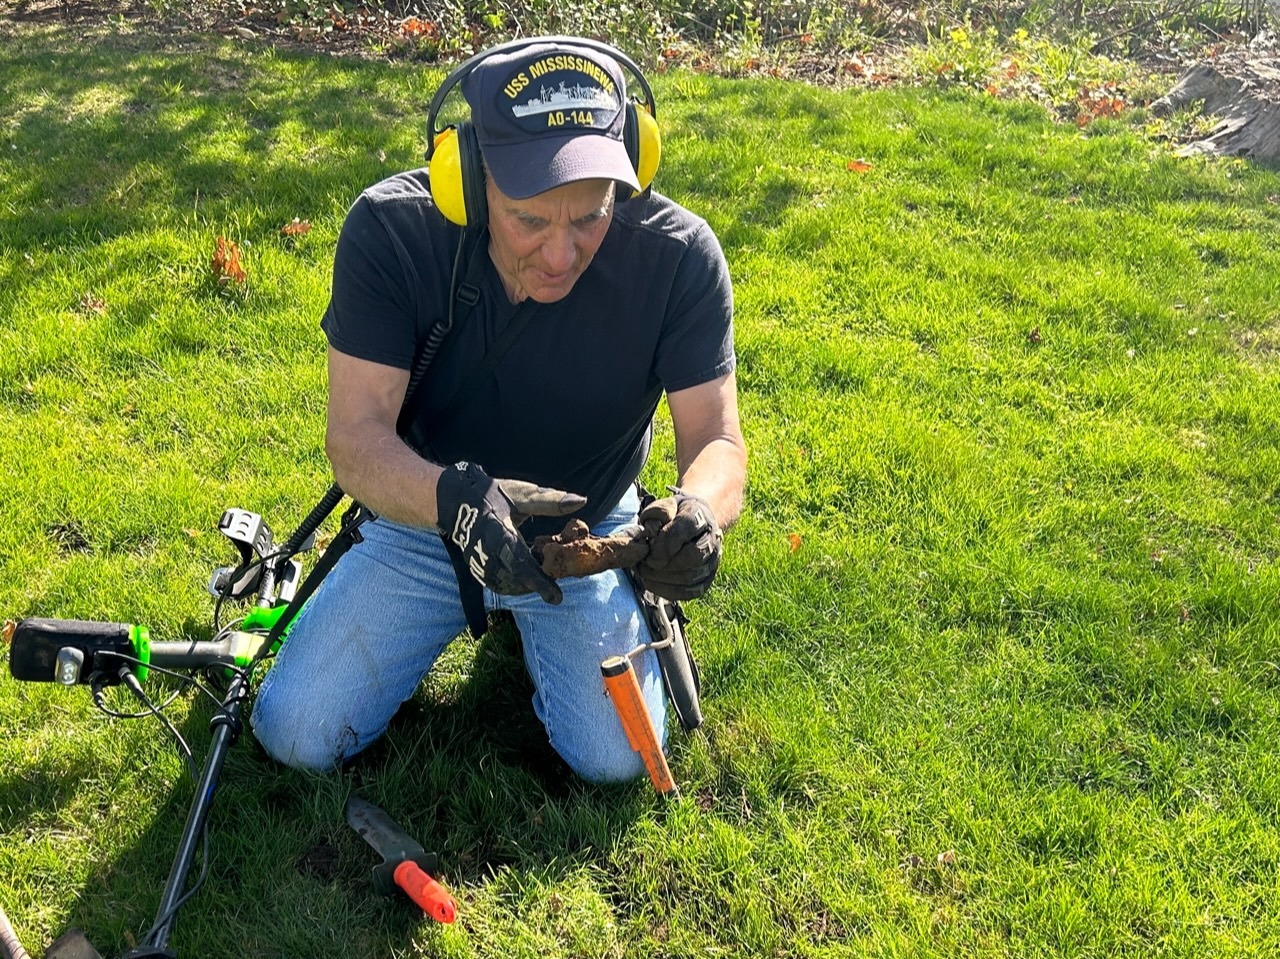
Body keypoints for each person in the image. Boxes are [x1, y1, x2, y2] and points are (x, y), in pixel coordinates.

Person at [250, 37, 747, 784]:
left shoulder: (678, 255)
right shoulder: (392, 233)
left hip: (592, 520)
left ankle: (579, 612)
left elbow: (717, 438)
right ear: (469, 183)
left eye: (589, 216)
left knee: (619, 760)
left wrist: (698, 512)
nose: (561, 254)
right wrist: (448, 500)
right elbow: (355, 442)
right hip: (425, 516)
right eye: (529, 220)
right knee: (298, 733)